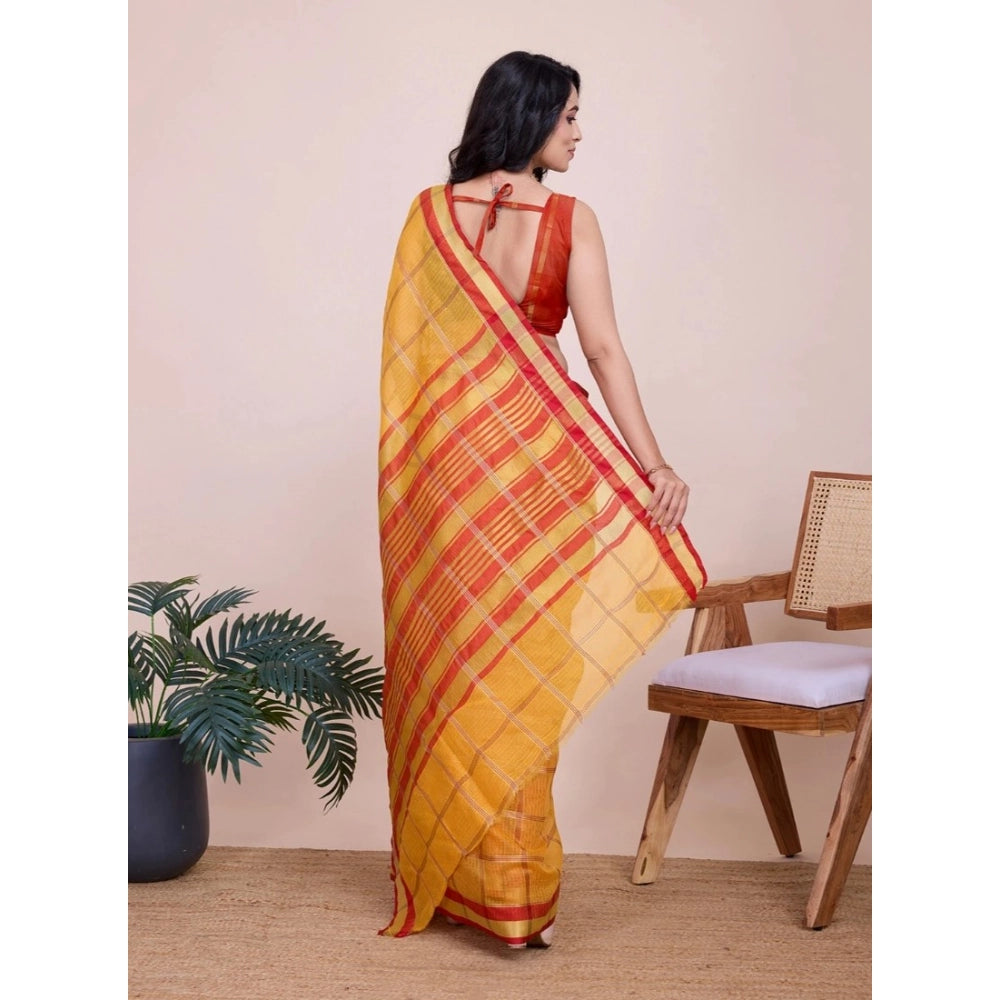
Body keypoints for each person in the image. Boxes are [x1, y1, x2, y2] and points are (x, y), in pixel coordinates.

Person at [377, 51, 706, 949]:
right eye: (568, 117)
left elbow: (412, 366)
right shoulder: (568, 220)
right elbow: (600, 352)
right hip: (537, 471)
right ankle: (516, 897)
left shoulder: (428, 217)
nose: (579, 132)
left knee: (460, 666)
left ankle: (454, 879)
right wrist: (653, 465)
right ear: (526, 119)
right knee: (526, 671)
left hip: (450, 478)